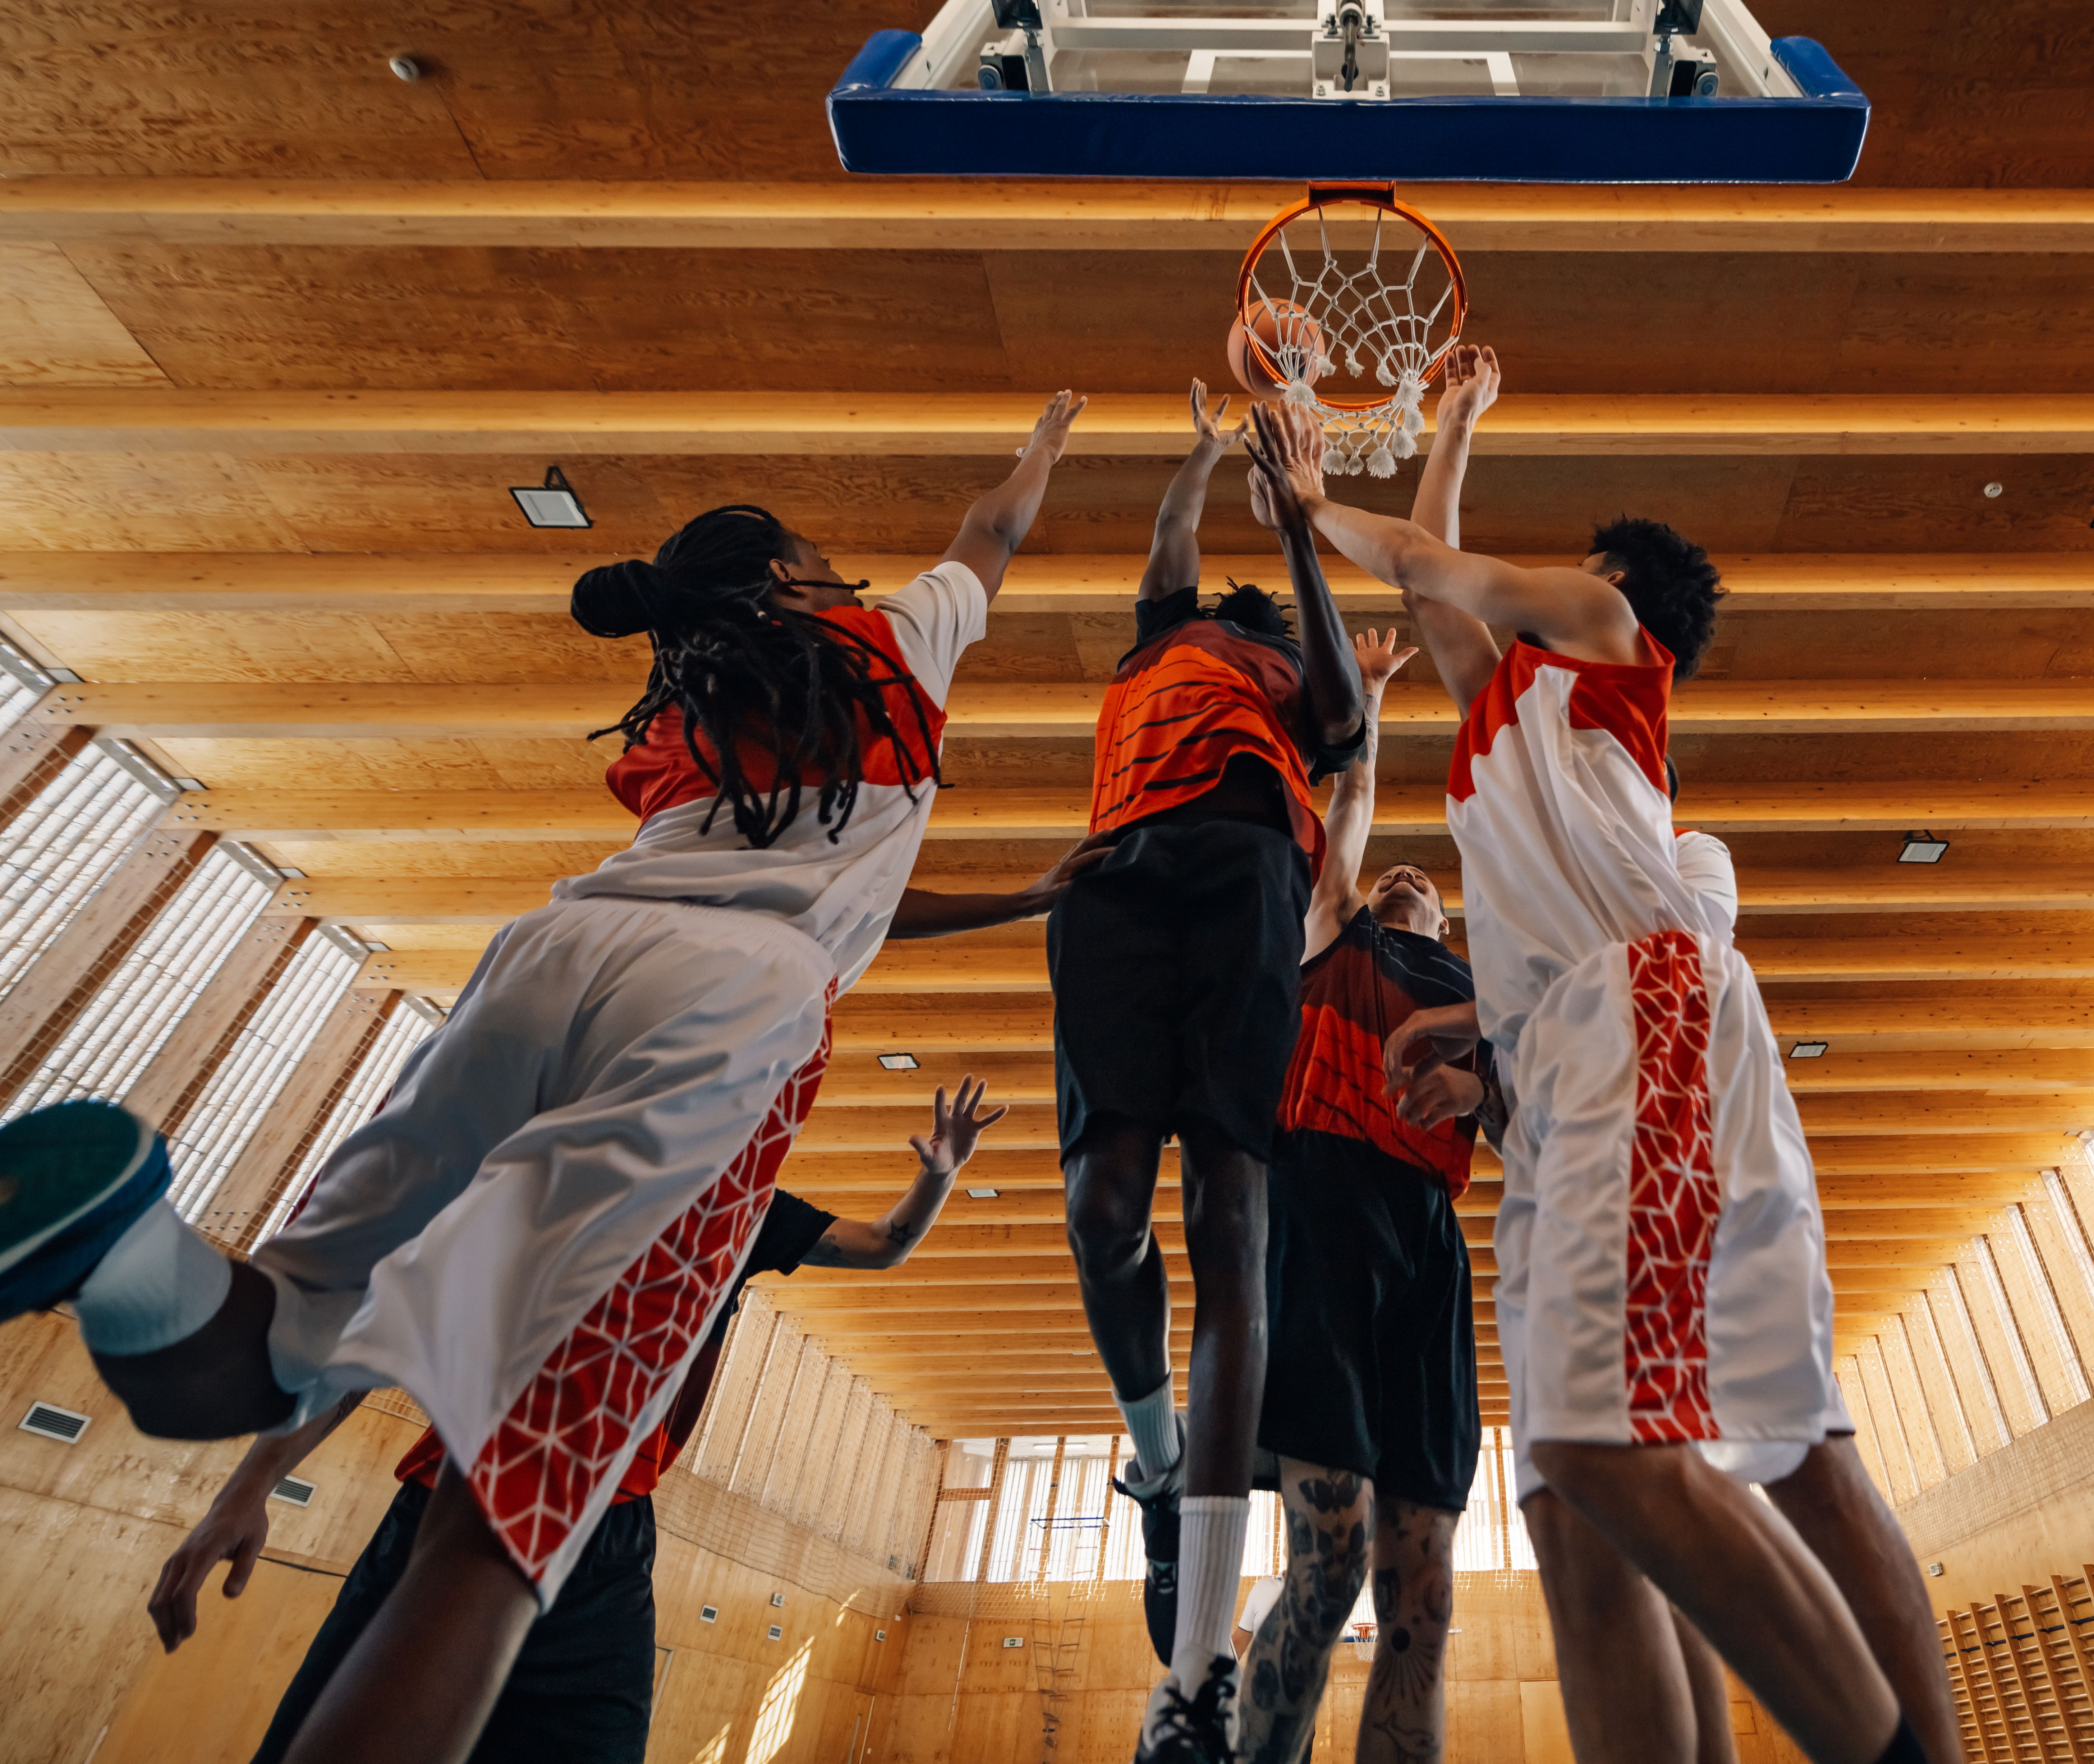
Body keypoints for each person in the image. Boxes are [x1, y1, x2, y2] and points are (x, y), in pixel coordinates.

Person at [0, 391, 1087, 1764]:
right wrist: (1046, 441)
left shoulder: (687, 717)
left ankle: (129, 1260)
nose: (843, 572)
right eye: (822, 559)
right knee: (514, 1511)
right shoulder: (893, 643)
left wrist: (1011, 901)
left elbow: (831, 882)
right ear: (790, 578)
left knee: (291, 1314)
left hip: (549, 955)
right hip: (730, 1008)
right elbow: (991, 534)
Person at [1246, 376, 1939, 1764]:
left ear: (1609, 584)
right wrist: (1451, 428)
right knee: (1583, 1512)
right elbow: (1436, 592)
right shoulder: (1513, 724)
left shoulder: (1610, 639)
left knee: (1609, 1457)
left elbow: (1433, 567)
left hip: (1636, 1030)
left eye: (1567, 568)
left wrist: (1312, 502)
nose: (1523, 593)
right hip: (1576, 1061)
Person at [151, 1079, 1006, 1764]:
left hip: (607, 1536)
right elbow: (362, 1342)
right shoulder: (530, 1190)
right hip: (455, 1503)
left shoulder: (744, 1209)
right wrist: (249, 1486)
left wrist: (939, 1176)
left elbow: (885, 1244)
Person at [1048, 382, 1364, 1764]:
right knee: (1101, 1211)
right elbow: (1167, 545)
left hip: (1246, 876)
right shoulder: (1159, 639)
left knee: (1230, 1229)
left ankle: (1195, 1673)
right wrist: (1200, 451)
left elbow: (1348, 723)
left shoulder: (1288, 681)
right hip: (1118, 875)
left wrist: (1296, 523)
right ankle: (1159, 1455)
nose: (1237, 629)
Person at [1235, 351, 1505, 1764]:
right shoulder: (1331, 935)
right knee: (1324, 1568)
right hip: (1325, 1207)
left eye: (1425, 886)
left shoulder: (1483, 990)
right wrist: (1379, 713)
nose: (1409, 880)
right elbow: (1345, 825)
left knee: (1424, 1603)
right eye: (1397, 877)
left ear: (1444, 921)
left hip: (1427, 1240)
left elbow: (1536, 1106)